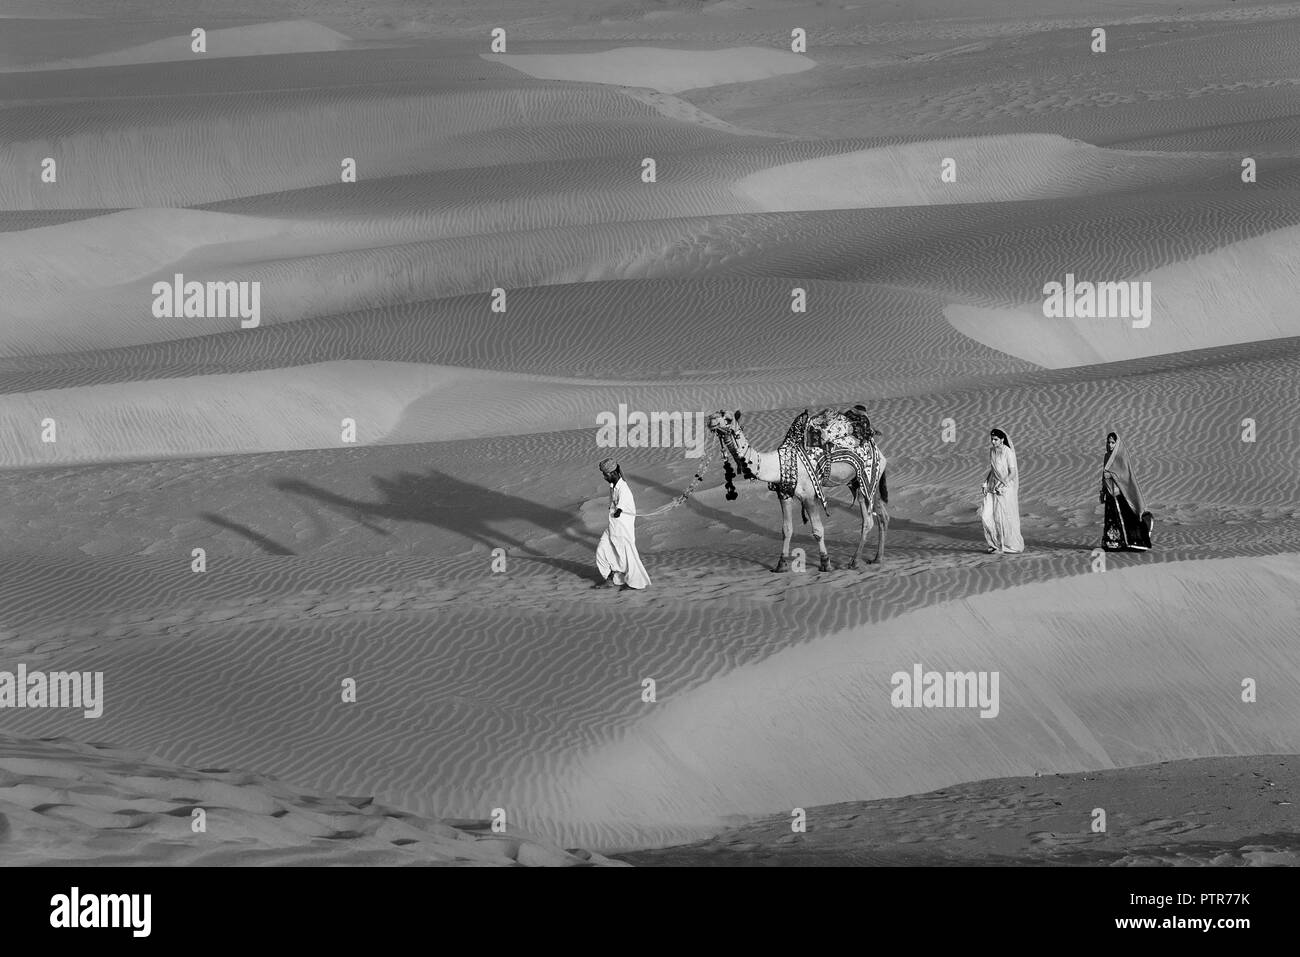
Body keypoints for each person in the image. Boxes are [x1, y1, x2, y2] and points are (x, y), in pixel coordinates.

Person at [594, 458, 651, 590]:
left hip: (622, 529)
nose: (604, 477)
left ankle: (636, 583)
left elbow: (625, 502)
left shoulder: (623, 488)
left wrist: (619, 509)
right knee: (602, 549)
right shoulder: (613, 486)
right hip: (613, 527)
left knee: (627, 555)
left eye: (605, 474)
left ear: (612, 473)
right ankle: (610, 579)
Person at [1100, 432, 1153, 551]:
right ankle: (1112, 542)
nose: (1110, 445)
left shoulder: (1121, 456)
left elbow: (1125, 476)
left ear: (1117, 443)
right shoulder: (1106, 456)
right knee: (1111, 520)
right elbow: (1103, 475)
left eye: (1113, 442)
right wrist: (1102, 491)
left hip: (1119, 494)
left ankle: (1133, 541)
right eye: (1108, 442)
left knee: (1124, 520)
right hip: (1109, 494)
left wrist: (1112, 474)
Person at [980, 428, 1024, 553]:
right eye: (992, 439)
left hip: (1004, 488)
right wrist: (985, 482)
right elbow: (993, 470)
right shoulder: (992, 451)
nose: (993, 442)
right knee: (986, 515)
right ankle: (994, 543)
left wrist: (1002, 485)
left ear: (1002, 439)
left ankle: (1004, 546)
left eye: (996, 439)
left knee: (1002, 517)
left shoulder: (1007, 452)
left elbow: (1012, 473)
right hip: (992, 485)